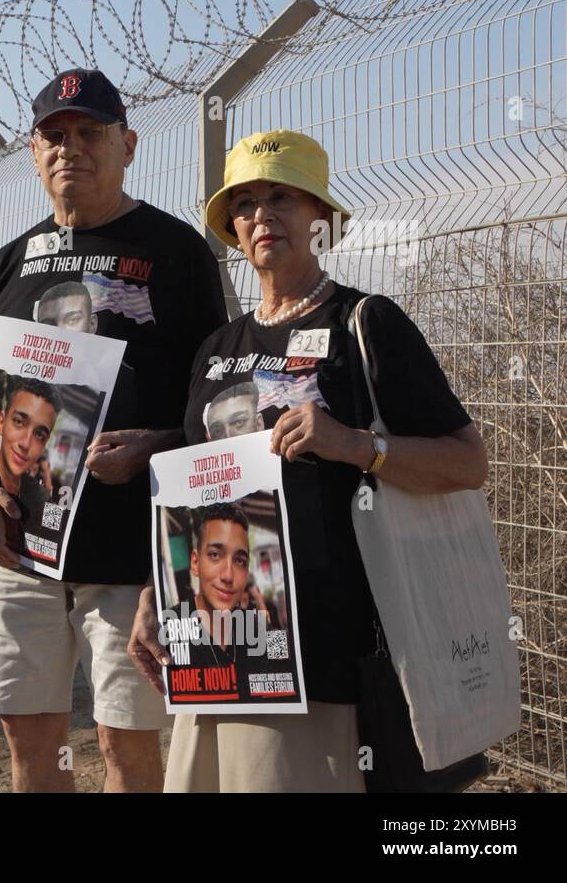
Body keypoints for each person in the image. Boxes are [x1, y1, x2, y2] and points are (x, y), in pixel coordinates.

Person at [127, 128, 489, 792]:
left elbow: (467, 463)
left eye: (282, 197)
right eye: (244, 203)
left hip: (328, 654)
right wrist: (157, 591)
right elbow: (189, 498)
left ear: (322, 220)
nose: (261, 215)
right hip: (223, 645)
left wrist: (355, 445)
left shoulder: (367, 322)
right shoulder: (215, 348)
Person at [0, 68, 229, 792]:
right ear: (35, 154)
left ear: (127, 144)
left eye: (90, 133)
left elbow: (218, 403)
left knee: (125, 744)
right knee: (29, 741)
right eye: (53, 135)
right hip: (18, 553)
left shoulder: (178, 252)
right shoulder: (6, 265)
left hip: (130, 558)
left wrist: (157, 444)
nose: (71, 148)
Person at [0, 378, 59, 557]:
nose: (25, 443)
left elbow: (53, 534)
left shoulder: (41, 495)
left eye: (39, 434)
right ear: (1, 422)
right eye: (19, 422)